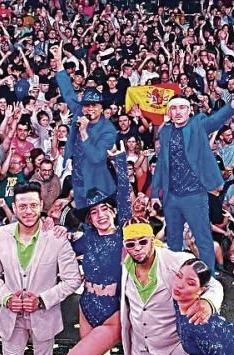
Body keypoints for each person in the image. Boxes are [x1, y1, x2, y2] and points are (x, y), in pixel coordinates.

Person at [152, 90, 234, 273]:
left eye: (182, 107)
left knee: (203, 239)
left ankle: (209, 279)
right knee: (173, 240)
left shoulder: (197, 124)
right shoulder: (165, 132)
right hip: (171, 196)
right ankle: (176, 276)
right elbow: (161, 163)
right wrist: (154, 194)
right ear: (168, 112)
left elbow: (215, 121)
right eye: (173, 108)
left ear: (190, 110)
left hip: (194, 194)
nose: (178, 111)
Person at [0, 182, 81, 355]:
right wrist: (6, 298)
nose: (28, 211)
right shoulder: (0, 235)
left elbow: (72, 279)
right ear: (13, 207)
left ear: (42, 205)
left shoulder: (57, 237)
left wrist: (42, 300)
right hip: (11, 318)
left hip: (45, 318)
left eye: (33, 205)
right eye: (22, 206)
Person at [119, 221, 223, 355]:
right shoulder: (126, 264)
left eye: (143, 242)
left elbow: (214, 285)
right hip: (138, 348)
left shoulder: (175, 261)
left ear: (152, 240)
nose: (137, 248)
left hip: (172, 348)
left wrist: (207, 302)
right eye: (131, 244)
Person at [69, 151, 131, 355]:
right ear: (89, 219)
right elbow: (64, 248)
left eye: (104, 209)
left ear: (113, 212)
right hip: (86, 306)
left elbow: (123, 195)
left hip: (113, 310)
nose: (100, 215)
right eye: (94, 212)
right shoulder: (86, 237)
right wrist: (59, 232)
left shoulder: (124, 234)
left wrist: (120, 161)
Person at [53, 48, 119, 209]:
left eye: (94, 106)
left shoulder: (108, 129)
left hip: (97, 179)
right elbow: (67, 92)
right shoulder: (78, 111)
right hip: (77, 171)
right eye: (86, 105)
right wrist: (59, 63)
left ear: (102, 108)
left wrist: (83, 132)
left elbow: (97, 157)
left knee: (98, 214)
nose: (89, 109)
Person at [171, 258, 234, 355]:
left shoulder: (199, 325)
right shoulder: (178, 300)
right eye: (179, 276)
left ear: (201, 290)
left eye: (190, 283)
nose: (179, 284)